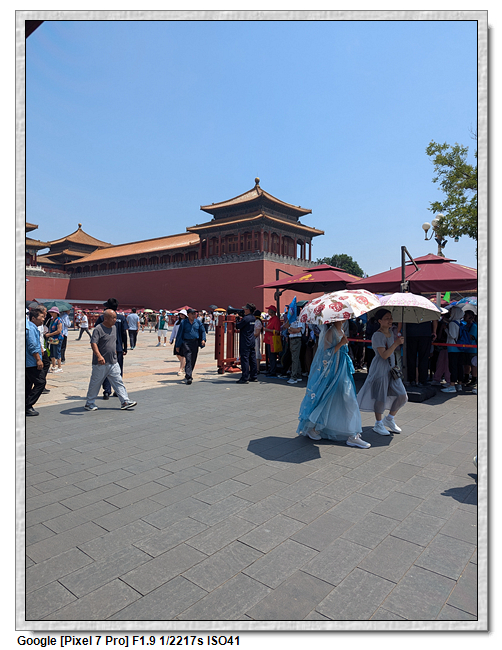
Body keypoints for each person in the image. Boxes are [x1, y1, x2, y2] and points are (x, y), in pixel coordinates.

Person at [297, 320, 370, 449]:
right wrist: (341, 344)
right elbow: (326, 353)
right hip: (334, 372)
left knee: (339, 400)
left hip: (342, 370)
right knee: (341, 400)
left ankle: (350, 433)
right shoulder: (330, 332)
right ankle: (351, 435)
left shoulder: (340, 330)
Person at [357, 309, 407, 435]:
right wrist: (396, 344)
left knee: (402, 395)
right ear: (379, 321)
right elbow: (384, 355)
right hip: (380, 368)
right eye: (386, 318)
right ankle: (378, 423)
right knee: (380, 396)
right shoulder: (377, 335)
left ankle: (389, 419)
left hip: (391, 368)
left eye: (391, 318)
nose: (390, 320)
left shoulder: (391, 332)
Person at [84, 309, 137, 411]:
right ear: (106, 318)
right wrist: (99, 356)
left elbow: (113, 342)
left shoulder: (114, 328)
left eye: (115, 317)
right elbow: (93, 343)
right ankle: (89, 403)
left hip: (113, 361)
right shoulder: (98, 329)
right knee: (95, 384)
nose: (115, 320)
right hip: (100, 363)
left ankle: (125, 401)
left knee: (118, 381)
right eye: (113, 318)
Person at [95, 298, 128, 399]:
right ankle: (118, 391)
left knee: (106, 369)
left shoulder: (102, 318)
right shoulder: (121, 318)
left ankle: (107, 391)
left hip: (106, 349)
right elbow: (124, 333)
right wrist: (125, 347)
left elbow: (97, 332)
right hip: (118, 348)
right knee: (118, 370)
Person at [175, 308, 206, 384]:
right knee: (188, 358)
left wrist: (203, 339)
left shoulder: (198, 322)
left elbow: (202, 331)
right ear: (188, 315)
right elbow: (179, 334)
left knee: (193, 359)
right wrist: (177, 345)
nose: (194, 315)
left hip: (195, 342)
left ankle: (188, 372)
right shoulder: (184, 323)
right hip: (186, 343)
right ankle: (189, 376)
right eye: (192, 314)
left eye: (194, 314)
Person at [26, 306, 47, 416]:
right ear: (33, 318)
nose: (43, 319)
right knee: (40, 382)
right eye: (41, 317)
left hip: (28, 362)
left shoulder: (30, 327)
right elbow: (32, 346)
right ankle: (28, 405)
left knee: (27, 384)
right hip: (31, 362)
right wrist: (38, 360)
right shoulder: (31, 328)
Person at [441, 305, 464, 394]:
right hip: (460, 347)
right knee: (459, 366)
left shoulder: (452, 323)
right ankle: (459, 384)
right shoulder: (461, 322)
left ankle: (452, 385)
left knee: (452, 366)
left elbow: (452, 335)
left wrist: (446, 329)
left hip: (452, 347)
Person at [235, 303, 258, 384]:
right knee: (252, 359)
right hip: (251, 340)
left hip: (245, 341)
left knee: (245, 359)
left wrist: (237, 319)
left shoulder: (246, 318)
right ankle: (253, 376)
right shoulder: (253, 318)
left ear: (248, 310)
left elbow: (238, 326)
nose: (244, 310)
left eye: (245, 309)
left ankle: (244, 377)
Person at [286, 307, 305, 384]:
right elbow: (289, 330)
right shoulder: (292, 319)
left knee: (295, 358)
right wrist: (291, 330)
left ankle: (294, 377)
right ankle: (298, 374)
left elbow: (298, 330)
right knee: (296, 357)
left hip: (296, 339)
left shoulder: (299, 319)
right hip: (292, 338)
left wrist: (291, 329)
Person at [263, 305, 281, 377]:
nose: (268, 312)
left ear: (272, 312)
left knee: (272, 356)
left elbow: (277, 331)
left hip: (272, 340)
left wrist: (268, 330)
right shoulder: (271, 319)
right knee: (270, 356)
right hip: (268, 340)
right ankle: (271, 369)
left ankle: (273, 370)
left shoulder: (276, 319)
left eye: (269, 310)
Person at [45, 307, 64, 373]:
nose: (51, 313)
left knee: (57, 352)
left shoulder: (59, 320)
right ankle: (53, 366)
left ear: (56, 313)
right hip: (52, 338)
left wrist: (49, 334)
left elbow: (59, 330)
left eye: (52, 312)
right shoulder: (52, 320)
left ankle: (59, 367)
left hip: (57, 338)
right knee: (52, 352)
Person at [170, 310, 187, 375]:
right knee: (177, 353)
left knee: (183, 355)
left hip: (184, 340)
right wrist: (171, 339)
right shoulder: (177, 322)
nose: (181, 315)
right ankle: (184, 364)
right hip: (178, 340)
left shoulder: (187, 322)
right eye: (180, 314)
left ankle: (181, 369)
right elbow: (174, 331)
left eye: (183, 314)